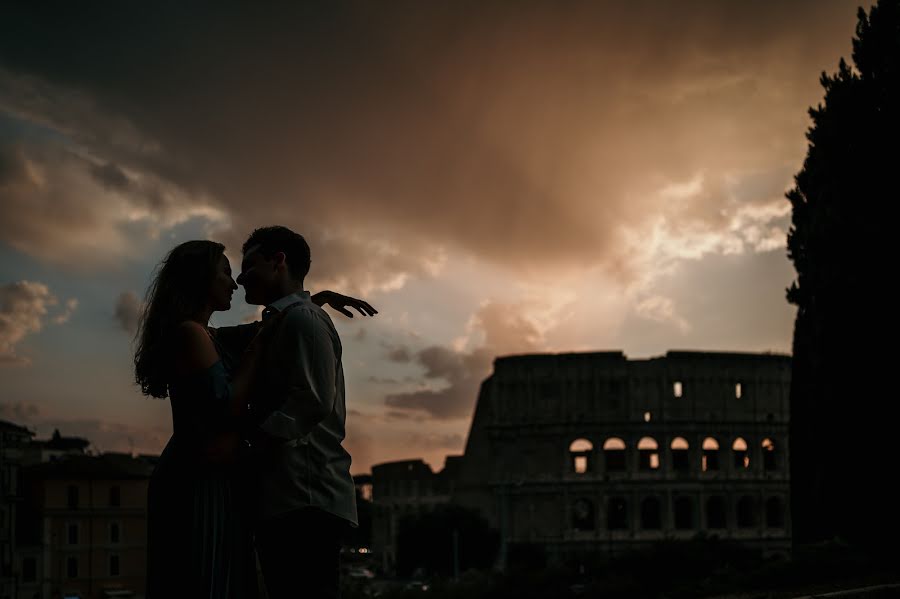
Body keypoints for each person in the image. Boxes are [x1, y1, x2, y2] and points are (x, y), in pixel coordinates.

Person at [135, 239, 374, 598]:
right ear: (202, 279)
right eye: (228, 273)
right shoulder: (192, 334)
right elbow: (230, 401)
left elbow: (282, 322)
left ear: (278, 262)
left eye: (243, 270)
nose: (237, 282)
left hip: (226, 477)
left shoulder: (213, 335)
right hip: (203, 473)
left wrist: (312, 300)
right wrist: (250, 444)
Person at [231, 226, 357, 599]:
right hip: (295, 497)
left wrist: (252, 444)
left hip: (304, 499)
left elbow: (312, 402)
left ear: (278, 261)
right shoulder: (292, 319)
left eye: (249, 265)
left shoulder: (303, 321)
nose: (240, 278)